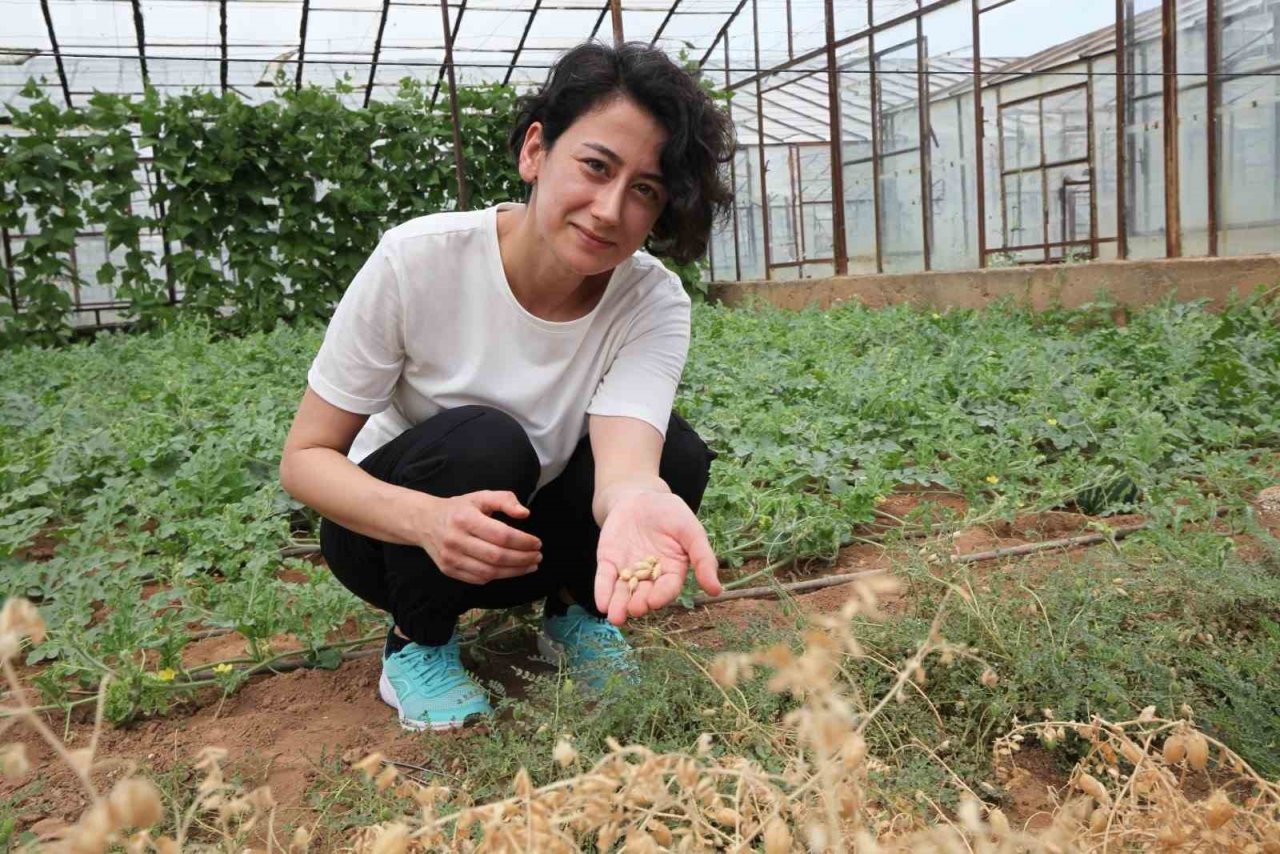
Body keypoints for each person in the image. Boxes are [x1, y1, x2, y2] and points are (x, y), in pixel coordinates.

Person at [279, 40, 735, 732]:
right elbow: (305, 460)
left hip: (520, 545)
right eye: (595, 166)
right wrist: (426, 521)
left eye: (644, 189)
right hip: (395, 539)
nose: (610, 210)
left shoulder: (652, 301)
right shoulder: (416, 262)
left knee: (676, 454)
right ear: (535, 152)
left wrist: (641, 498)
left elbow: (626, 461)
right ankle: (417, 643)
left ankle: (576, 618)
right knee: (486, 439)